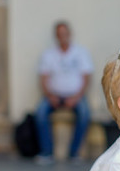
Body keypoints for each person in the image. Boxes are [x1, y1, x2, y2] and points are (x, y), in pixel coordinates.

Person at [34, 20, 94, 163]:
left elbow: (86, 78)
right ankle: (47, 152)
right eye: (59, 34)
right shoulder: (48, 54)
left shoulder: (80, 52)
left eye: (64, 33)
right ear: (56, 36)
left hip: (76, 96)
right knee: (40, 113)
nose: (62, 37)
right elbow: (43, 78)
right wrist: (50, 96)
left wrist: (77, 97)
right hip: (53, 96)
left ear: (70, 34)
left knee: (85, 114)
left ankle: (74, 153)